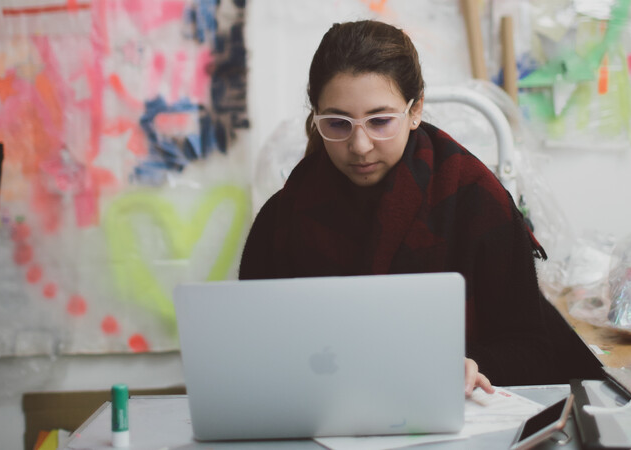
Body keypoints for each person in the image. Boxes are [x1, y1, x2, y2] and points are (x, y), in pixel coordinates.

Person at [239, 20, 603, 395]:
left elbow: (534, 351)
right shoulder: (282, 218)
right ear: (315, 116)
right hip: (316, 417)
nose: (360, 145)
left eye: (380, 121)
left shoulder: (477, 202)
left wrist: (476, 364)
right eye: (338, 123)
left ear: (416, 110)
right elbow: (249, 349)